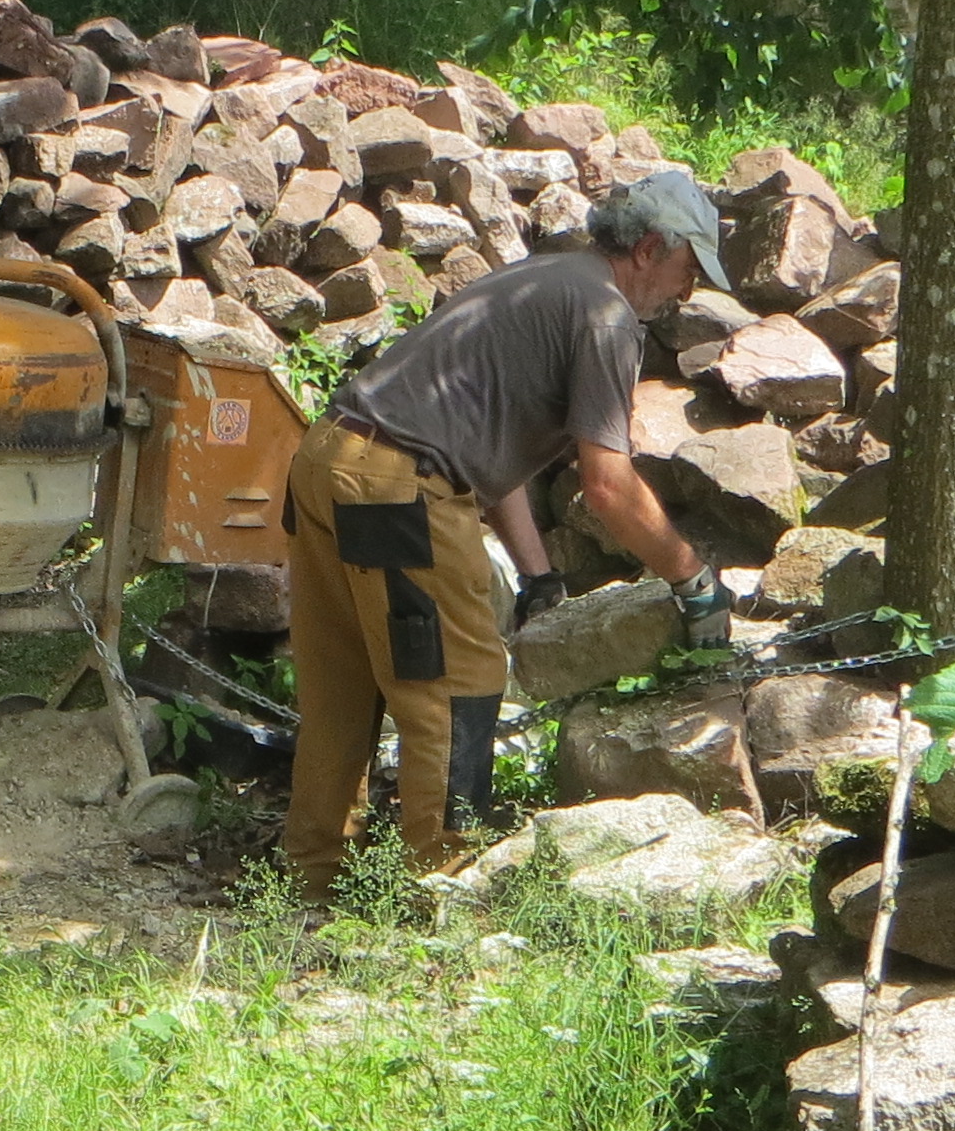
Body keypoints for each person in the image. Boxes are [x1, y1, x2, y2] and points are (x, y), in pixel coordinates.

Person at [278, 169, 732, 895]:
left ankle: (309, 880)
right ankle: (443, 886)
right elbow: (608, 486)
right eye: (688, 269)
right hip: (397, 488)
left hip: (326, 458)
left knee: (343, 686)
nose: (687, 291)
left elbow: (488, 451)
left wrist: (537, 574)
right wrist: (692, 578)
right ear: (650, 249)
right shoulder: (607, 316)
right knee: (459, 685)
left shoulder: (542, 278)